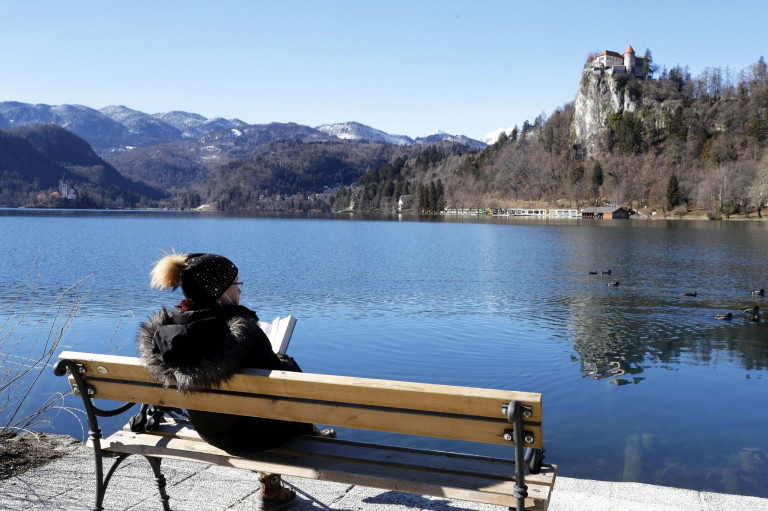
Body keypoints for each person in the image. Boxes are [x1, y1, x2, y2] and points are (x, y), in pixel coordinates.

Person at [136, 251, 332, 511]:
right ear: (219, 292)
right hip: (257, 436)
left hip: (210, 431)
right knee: (279, 384)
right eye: (236, 286)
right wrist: (284, 362)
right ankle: (278, 478)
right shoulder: (242, 333)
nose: (240, 293)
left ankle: (276, 480)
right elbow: (288, 392)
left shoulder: (165, 334)